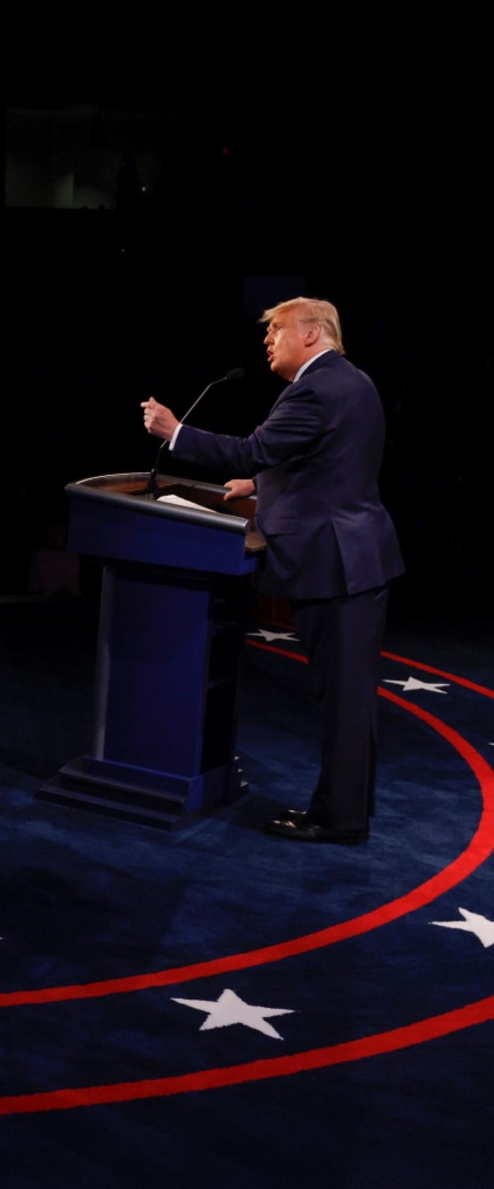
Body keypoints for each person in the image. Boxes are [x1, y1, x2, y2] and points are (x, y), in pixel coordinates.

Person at [142, 297, 402, 845]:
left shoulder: (315, 387)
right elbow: (331, 459)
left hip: (337, 565)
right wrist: (262, 485)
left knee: (344, 700)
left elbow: (253, 449)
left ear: (312, 334)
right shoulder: (350, 382)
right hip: (354, 557)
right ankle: (344, 810)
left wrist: (175, 432)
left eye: (278, 330)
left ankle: (338, 819)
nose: (268, 341)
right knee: (346, 698)